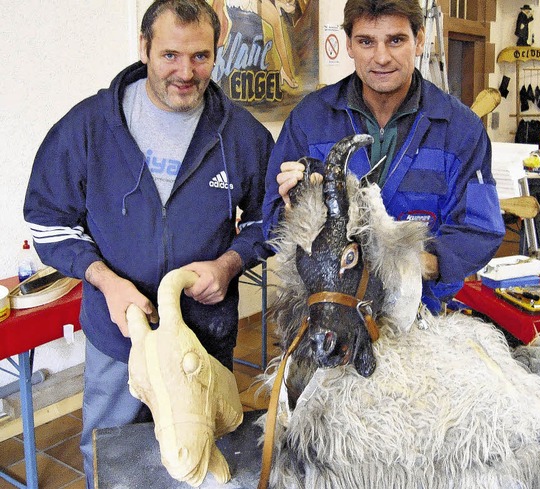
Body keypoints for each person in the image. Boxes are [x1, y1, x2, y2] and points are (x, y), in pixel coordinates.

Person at [23, 0, 274, 486]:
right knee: (113, 457)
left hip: (203, 339)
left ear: (216, 53)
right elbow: (48, 220)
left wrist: (229, 263)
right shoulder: (89, 128)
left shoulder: (240, 135)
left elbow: (275, 219)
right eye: (170, 55)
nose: (186, 72)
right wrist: (106, 281)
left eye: (200, 56)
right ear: (144, 48)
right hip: (120, 338)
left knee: (200, 462)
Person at [262, 0, 505, 315]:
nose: (381, 57)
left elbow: (479, 229)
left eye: (396, 40)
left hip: (421, 310)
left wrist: (412, 266)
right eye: (366, 42)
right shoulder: (309, 120)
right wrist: (294, 212)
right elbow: (272, 221)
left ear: (419, 40)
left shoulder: (461, 130)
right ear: (349, 44)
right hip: (331, 314)